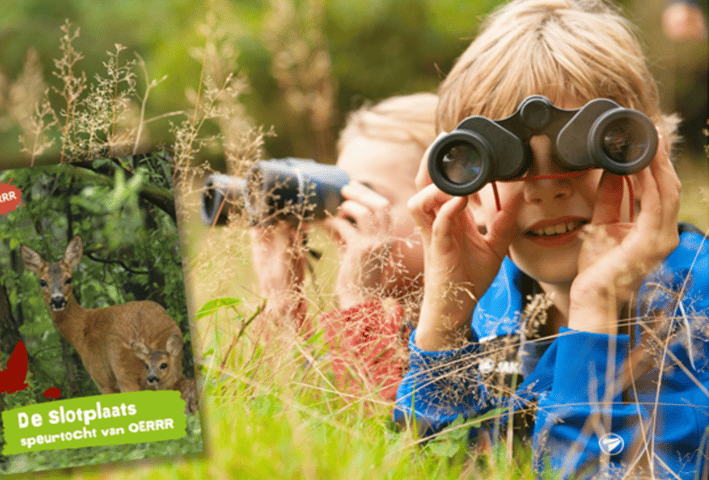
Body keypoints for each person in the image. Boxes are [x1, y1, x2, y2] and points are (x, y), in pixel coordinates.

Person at [393, 0, 709, 478]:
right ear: (465, 181)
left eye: (590, 148)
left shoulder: (695, 313)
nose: (547, 188)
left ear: (648, 154)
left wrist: (595, 307)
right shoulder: (495, 301)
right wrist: (446, 322)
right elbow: (437, 467)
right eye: (509, 159)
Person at [249, 93, 438, 401]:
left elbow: (387, 424)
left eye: (369, 195)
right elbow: (313, 418)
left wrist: (358, 300)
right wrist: (283, 306)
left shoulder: (494, 319)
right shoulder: (395, 326)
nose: (344, 216)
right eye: (340, 197)